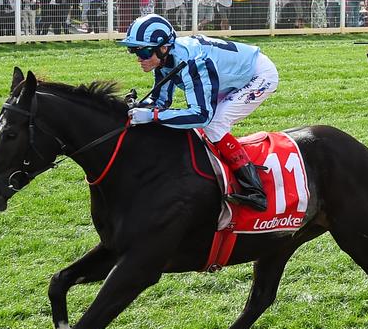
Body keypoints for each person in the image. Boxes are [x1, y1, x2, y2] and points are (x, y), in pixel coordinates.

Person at [117, 13, 278, 211]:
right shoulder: (165, 59)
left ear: (163, 48)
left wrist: (153, 116)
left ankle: (255, 191)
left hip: (258, 75)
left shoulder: (192, 62)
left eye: (143, 53)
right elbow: (161, 100)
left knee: (214, 124)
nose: (138, 59)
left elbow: (201, 115)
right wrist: (140, 108)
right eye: (134, 52)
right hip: (230, 77)